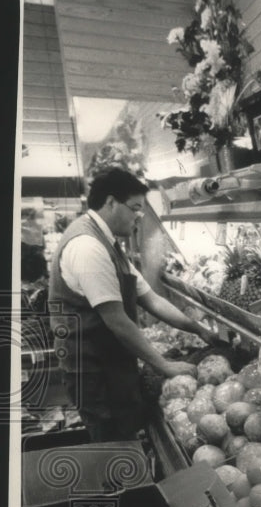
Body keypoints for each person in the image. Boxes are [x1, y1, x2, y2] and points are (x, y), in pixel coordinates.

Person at [48, 168, 215, 442]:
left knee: (125, 435)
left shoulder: (109, 244)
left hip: (111, 362)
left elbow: (151, 299)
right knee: (111, 442)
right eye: (135, 207)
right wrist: (165, 366)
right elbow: (117, 320)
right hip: (93, 371)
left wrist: (198, 329)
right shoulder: (88, 246)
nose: (140, 215)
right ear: (111, 202)